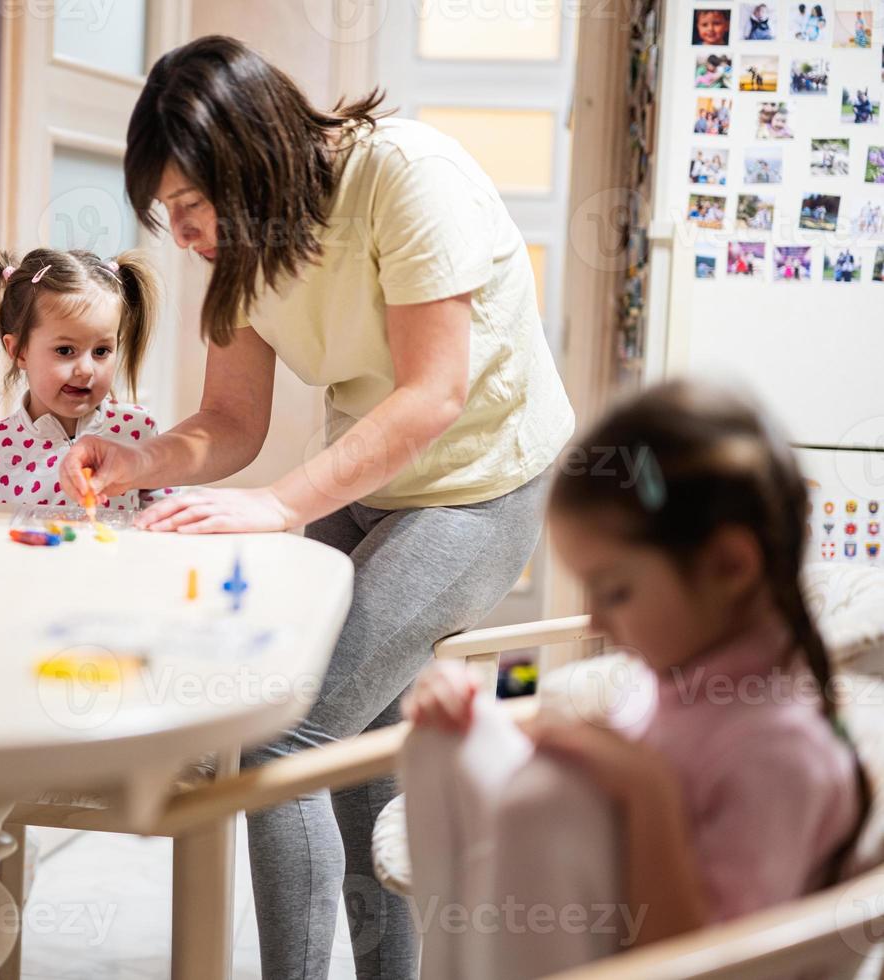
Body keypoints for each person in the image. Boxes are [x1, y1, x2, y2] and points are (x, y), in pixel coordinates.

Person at [72, 35, 574, 980]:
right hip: (375, 483)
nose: (179, 237)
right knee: (358, 741)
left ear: (250, 162)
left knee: (286, 736)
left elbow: (432, 394)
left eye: (189, 207)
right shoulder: (242, 251)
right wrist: (138, 461)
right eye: (166, 215)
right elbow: (230, 419)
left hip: (484, 483)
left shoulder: (409, 178)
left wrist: (280, 506)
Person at [403, 381, 867, 978]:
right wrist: (477, 714)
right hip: (581, 937)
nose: (595, 619)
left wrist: (647, 789)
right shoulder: (679, 680)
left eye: (615, 590)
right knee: (447, 739)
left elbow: (705, 966)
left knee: (544, 805)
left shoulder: (782, 753)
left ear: (730, 566)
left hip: (662, 959)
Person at [0, 240, 174, 509]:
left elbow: (167, 515)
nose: (86, 369)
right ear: (19, 351)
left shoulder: (138, 429)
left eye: (101, 351)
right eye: (65, 350)